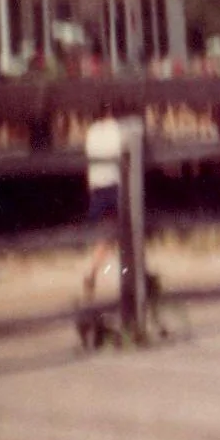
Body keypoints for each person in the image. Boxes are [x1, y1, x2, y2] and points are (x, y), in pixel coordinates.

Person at [80, 105, 126, 303]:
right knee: (124, 233)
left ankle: (93, 272)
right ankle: (130, 277)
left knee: (106, 237)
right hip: (114, 185)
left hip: (97, 187)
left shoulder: (91, 132)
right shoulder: (118, 130)